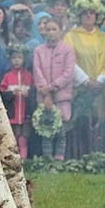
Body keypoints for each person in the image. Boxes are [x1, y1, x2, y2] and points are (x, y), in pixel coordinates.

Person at [63, 0, 105, 157]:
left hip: (101, 88)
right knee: (81, 121)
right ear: (79, 15)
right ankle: (80, 157)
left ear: (97, 16)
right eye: (85, 13)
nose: (88, 16)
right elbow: (69, 60)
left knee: (100, 121)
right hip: (81, 89)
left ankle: (99, 156)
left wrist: (100, 79)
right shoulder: (70, 36)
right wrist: (85, 81)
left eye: (92, 13)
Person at [32, 16, 75, 160]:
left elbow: (68, 73)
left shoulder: (67, 50)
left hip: (61, 96)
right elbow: (37, 71)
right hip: (44, 97)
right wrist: (45, 91)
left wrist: (52, 87)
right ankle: (47, 159)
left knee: (61, 130)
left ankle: (59, 159)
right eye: (48, 29)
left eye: (54, 29)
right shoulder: (38, 50)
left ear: (60, 30)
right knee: (46, 128)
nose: (51, 32)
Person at [0, 46, 33, 158]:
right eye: (14, 58)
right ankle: (13, 159)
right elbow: (2, 93)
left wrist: (27, 94)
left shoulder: (28, 76)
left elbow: (34, 92)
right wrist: (12, 93)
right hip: (12, 114)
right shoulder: (7, 77)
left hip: (25, 115)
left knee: (23, 138)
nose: (17, 60)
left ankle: (23, 160)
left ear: (24, 59)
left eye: (19, 57)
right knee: (14, 137)